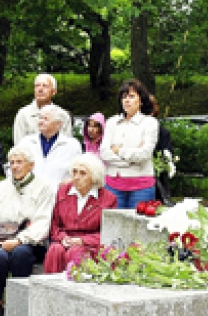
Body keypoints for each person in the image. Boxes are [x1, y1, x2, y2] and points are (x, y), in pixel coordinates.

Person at [0, 144, 55, 316]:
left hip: (32, 240)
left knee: (20, 253)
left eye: (19, 162)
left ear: (31, 165)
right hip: (2, 236)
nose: (15, 166)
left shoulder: (44, 188)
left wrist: (19, 240)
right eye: (11, 163)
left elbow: (43, 222)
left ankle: (19, 301)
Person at [44, 154, 117, 274]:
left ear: (94, 177)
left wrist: (82, 240)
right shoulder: (63, 192)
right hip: (65, 240)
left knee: (75, 252)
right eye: (74, 172)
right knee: (54, 250)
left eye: (83, 173)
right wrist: (63, 238)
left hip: (90, 246)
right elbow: (55, 225)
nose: (76, 177)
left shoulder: (108, 199)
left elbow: (107, 233)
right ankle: (48, 290)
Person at [100, 79, 159, 209]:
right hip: (113, 185)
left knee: (138, 226)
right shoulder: (111, 122)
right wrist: (130, 160)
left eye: (131, 96)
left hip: (141, 188)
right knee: (114, 226)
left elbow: (144, 154)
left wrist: (119, 151)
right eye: (124, 97)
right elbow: (104, 153)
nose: (127, 100)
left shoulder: (149, 123)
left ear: (141, 100)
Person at [19, 103, 81, 186]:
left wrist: (70, 182)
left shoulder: (72, 145)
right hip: (31, 195)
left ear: (58, 124)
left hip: (59, 195)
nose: (41, 122)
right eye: (40, 118)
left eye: (45, 119)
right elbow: (12, 167)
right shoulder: (26, 142)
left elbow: (79, 172)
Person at [13, 73, 59, 145]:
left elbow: (67, 146)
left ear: (54, 91)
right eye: (37, 86)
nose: (40, 89)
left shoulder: (61, 115)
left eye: (45, 86)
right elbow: (19, 146)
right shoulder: (23, 114)